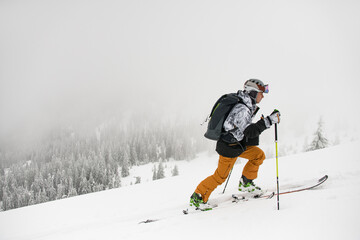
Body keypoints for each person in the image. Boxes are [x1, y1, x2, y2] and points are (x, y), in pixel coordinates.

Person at [190, 79, 281, 210]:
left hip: (238, 144)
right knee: (220, 177)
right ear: (253, 93)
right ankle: (198, 197)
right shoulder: (242, 109)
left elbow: (245, 128)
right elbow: (250, 132)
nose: (263, 95)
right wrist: (269, 121)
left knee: (258, 155)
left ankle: (246, 182)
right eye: (261, 92)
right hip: (229, 147)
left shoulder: (246, 104)